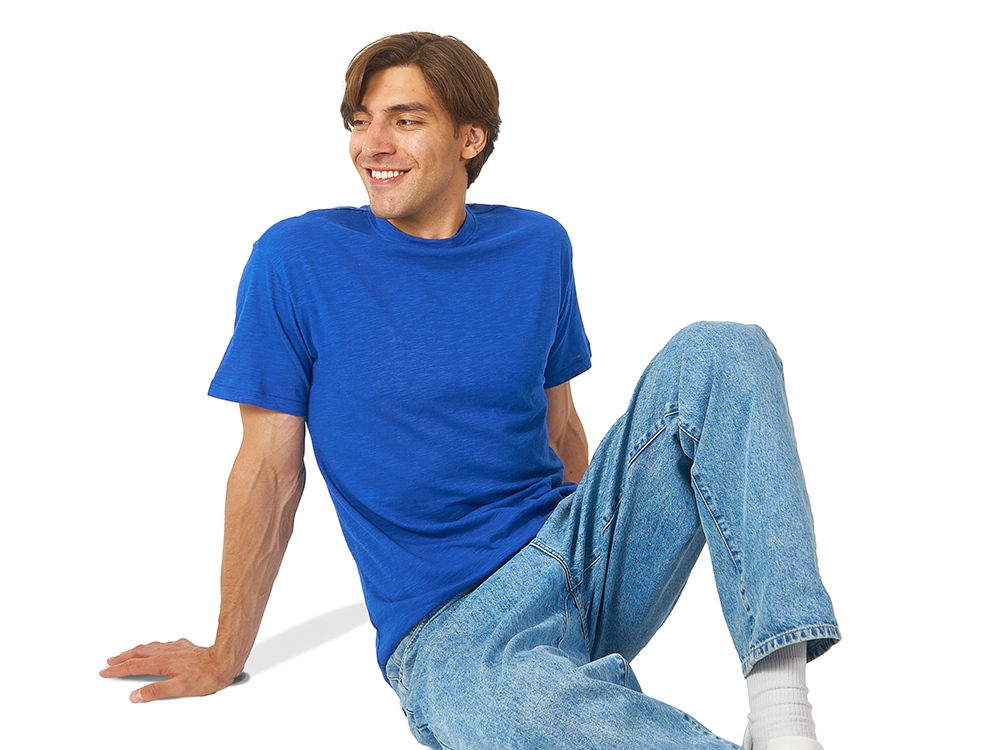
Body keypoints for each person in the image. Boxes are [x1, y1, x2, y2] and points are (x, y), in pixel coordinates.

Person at [100, 32, 840, 750]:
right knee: (508, 713)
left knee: (723, 350)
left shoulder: (537, 245)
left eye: (404, 121)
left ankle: (781, 716)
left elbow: (561, 431)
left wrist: (587, 573)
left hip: (572, 552)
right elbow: (268, 470)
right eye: (360, 122)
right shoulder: (297, 260)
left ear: (470, 139)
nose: (371, 145)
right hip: (449, 623)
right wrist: (225, 651)